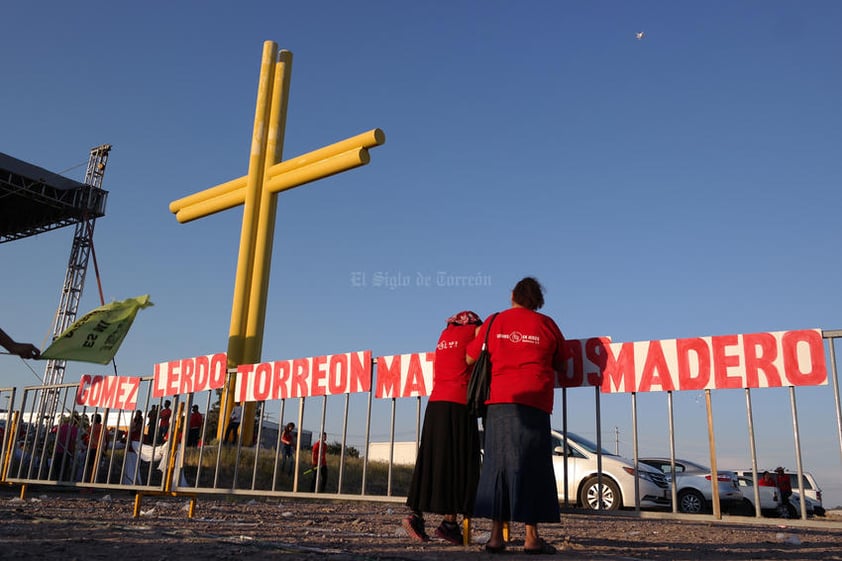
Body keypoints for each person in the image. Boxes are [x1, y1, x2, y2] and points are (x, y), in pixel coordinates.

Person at [466, 277, 566, 554]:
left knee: (498, 466)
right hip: (535, 403)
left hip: (499, 402)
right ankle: (532, 538)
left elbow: (470, 358)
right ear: (538, 301)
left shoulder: (494, 321)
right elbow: (563, 360)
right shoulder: (547, 324)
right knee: (532, 467)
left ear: (512, 295)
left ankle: (496, 537)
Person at [402, 310, 483, 545]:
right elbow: (474, 357)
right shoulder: (474, 331)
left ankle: (416, 514)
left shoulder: (444, 334)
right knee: (461, 463)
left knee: (431, 460)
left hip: (436, 402)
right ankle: (449, 523)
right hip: (458, 403)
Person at [82, 413, 107, 483]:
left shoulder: (91, 427)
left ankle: (89, 480)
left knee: (89, 466)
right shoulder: (103, 427)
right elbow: (107, 439)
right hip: (100, 449)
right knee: (96, 466)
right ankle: (94, 480)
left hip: (92, 448)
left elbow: (84, 436)